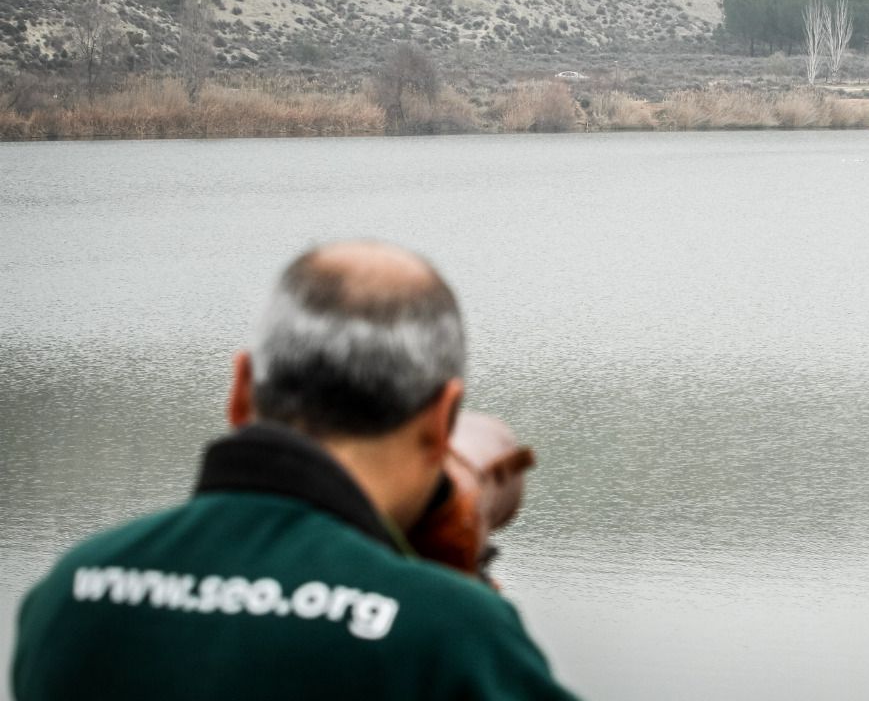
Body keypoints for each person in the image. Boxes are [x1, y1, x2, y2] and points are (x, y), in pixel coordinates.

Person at [11, 240, 578, 701]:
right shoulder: (447, 636)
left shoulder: (69, 592)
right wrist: (464, 589)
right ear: (442, 419)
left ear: (239, 392)